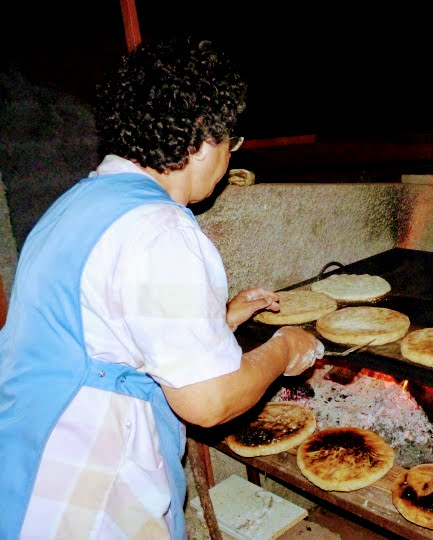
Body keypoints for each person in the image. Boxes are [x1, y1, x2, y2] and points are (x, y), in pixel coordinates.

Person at [0, 37, 323, 539]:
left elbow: (109, 326)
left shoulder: (82, 202)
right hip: (83, 491)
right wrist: (283, 350)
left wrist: (223, 319)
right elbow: (209, 402)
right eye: (230, 141)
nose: (229, 157)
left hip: (28, 455)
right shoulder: (160, 229)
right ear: (200, 141)